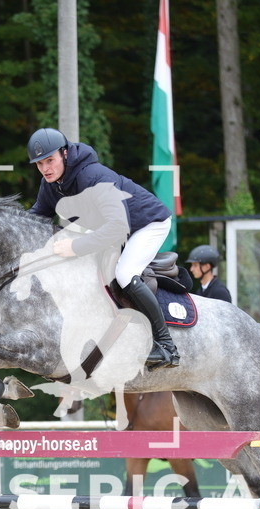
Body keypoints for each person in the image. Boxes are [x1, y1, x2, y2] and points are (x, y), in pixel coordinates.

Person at [26, 127, 179, 369]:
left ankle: (167, 346)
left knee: (125, 273)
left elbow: (118, 227)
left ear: (64, 154)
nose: (45, 168)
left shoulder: (93, 176)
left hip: (147, 224)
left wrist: (75, 246)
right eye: (39, 164)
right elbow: (33, 219)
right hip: (118, 228)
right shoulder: (51, 186)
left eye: (50, 160)